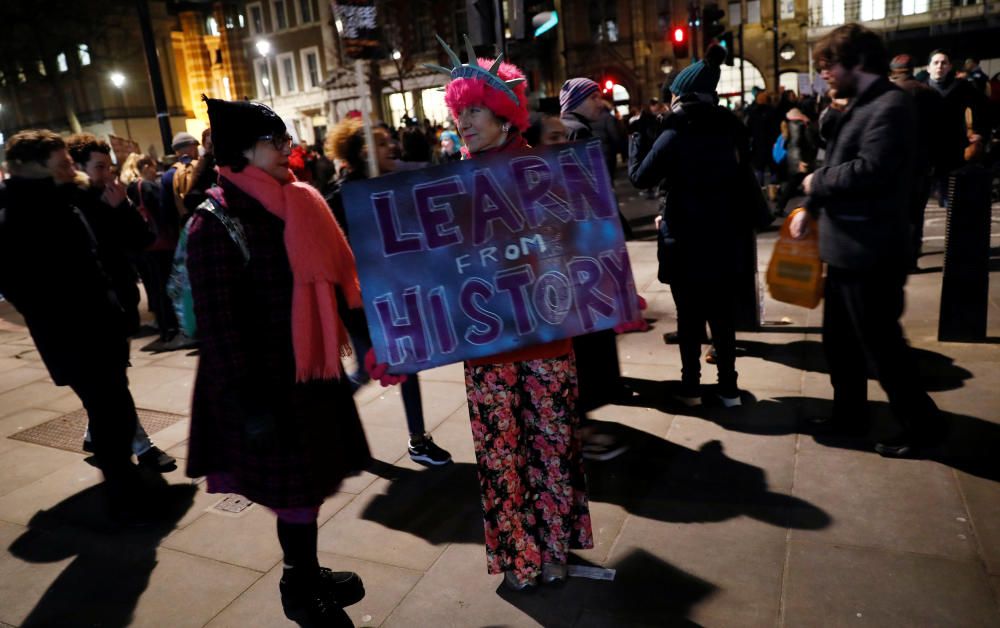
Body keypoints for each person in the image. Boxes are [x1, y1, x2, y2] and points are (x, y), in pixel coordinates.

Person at [186, 98, 372, 625]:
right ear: (242, 152)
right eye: (275, 141)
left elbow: (336, 286)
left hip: (310, 374)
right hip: (265, 385)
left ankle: (307, 572)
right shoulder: (215, 222)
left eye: (285, 139)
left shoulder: (300, 201)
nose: (287, 149)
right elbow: (219, 329)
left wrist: (368, 342)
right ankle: (298, 588)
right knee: (296, 491)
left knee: (309, 487)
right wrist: (249, 405)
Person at [428, 35, 593, 591]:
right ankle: (520, 557)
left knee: (549, 449)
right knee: (501, 457)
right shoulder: (448, 182)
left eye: (474, 109)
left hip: (545, 340)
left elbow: (575, 246)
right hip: (487, 346)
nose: (464, 121)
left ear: (503, 113)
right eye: (459, 111)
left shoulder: (543, 171)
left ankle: (552, 551)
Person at [0, 130, 167, 519]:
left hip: (101, 326)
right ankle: (125, 496)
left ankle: (124, 486)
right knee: (110, 411)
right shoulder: (20, 214)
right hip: (73, 334)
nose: (71, 169)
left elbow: (128, 243)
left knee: (113, 407)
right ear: (34, 169)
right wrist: (58, 313)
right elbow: (16, 282)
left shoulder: (64, 199)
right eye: (63, 164)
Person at [791, 24, 940, 458]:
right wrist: (811, 209)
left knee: (883, 345)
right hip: (845, 247)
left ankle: (923, 425)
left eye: (829, 66)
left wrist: (818, 181)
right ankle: (849, 414)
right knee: (840, 344)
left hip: (872, 250)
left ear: (857, 62)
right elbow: (840, 157)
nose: (824, 75)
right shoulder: (861, 104)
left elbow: (871, 169)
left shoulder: (892, 106)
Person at [322, 117, 453, 467]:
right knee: (367, 369)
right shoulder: (340, 195)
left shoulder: (389, 183)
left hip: (390, 294)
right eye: (380, 143)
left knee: (406, 360)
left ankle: (417, 439)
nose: (390, 147)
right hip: (358, 301)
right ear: (364, 151)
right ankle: (328, 425)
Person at [628, 44, 753, 408]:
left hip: (685, 238)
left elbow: (639, 177)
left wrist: (637, 136)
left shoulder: (677, 130)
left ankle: (691, 388)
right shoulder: (732, 128)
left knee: (689, 317)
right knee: (723, 316)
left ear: (680, 95)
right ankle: (729, 390)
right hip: (726, 235)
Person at [65, 135, 177, 472]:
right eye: (99, 167)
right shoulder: (71, 204)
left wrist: (123, 207)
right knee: (113, 385)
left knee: (109, 383)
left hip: (120, 303)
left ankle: (92, 432)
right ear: (79, 169)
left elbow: (143, 239)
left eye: (109, 166)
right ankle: (142, 446)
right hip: (91, 309)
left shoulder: (110, 198)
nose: (107, 174)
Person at [889, 54, 946, 268]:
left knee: (894, 212)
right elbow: (940, 131)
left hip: (892, 164)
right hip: (921, 162)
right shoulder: (929, 94)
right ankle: (911, 258)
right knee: (915, 212)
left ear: (893, 71)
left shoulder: (887, 93)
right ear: (912, 69)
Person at [927, 49, 991, 201]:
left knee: (953, 199)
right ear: (928, 67)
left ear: (949, 67)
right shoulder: (920, 89)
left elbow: (985, 108)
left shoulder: (962, 87)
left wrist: (981, 132)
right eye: (936, 63)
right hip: (927, 152)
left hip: (954, 149)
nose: (940, 66)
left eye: (944, 63)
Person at [161, 131, 200, 223]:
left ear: (177, 152)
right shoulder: (202, 168)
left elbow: (166, 209)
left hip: (184, 226)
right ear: (193, 148)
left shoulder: (167, 176)